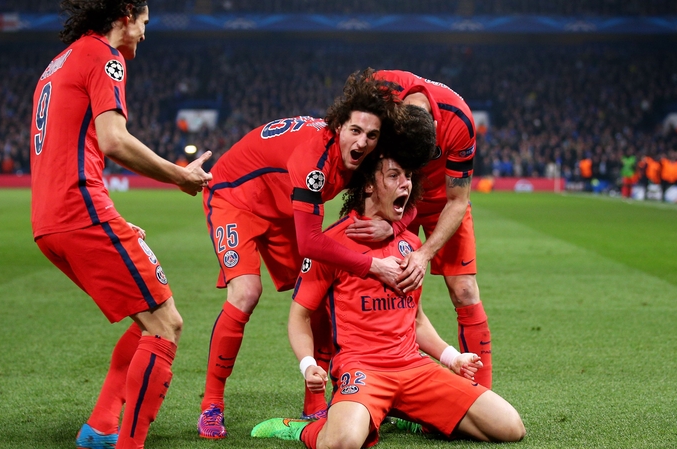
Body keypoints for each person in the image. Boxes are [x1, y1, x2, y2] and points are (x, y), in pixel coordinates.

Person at [197, 69, 435, 438]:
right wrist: (373, 266)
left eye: (371, 135)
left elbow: (409, 200)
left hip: (286, 208)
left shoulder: (367, 155)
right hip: (236, 198)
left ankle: (315, 406)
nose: (362, 141)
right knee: (245, 293)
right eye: (354, 131)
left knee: (318, 292)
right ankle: (212, 404)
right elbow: (310, 243)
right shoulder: (315, 162)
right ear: (338, 125)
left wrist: (395, 227)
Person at [29, 1, 212, 448]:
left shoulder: (59, 63)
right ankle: (127, 442)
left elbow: (69, 148)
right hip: (79, 211)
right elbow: (112, 140)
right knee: (166, 324)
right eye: (145, 23)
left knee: (147, 317)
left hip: (51, 219)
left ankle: (101, 428)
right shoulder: (103, 56)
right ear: (126, 14)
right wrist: (179, 176)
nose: (145, 35)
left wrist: (111, 216)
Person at [250, 153, 525, 448]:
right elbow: (299, 316)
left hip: (414, 368)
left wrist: (451, 358)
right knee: (343, 443)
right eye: (394, 176)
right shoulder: (330, 245)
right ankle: (300, 430)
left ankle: (409, 413)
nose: (405, 183)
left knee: (510, 427)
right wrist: (307, 365)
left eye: (408, 176)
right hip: (363, 370)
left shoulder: (412, 244)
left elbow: (415, 319)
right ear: (368, 185)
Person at [347, 70, 494, 388]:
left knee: (465, 290)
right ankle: (371, 384)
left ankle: (480, 394)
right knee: (382, 289)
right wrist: (390, 218)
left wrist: (424, 254)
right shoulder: (380, 90)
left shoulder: (459, 122)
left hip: (444, 200)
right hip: (394, 194)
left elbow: (458, 200)